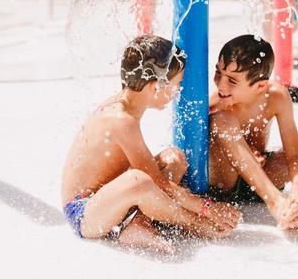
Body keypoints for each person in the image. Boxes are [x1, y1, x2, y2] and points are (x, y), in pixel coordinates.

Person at [61, 35, 240, 253]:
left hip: (107, 197)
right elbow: (158, 183)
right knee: (139, 181)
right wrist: (204, 212)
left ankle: (136, 224)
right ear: (155, 87)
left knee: (174, 159)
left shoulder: (128, 106)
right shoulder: (121, 120)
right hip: (83, 211)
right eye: (176, 85)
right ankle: (194, 226)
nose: (177, 92)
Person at [208, 35, 298, 240]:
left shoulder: (275, 96)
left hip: (264, 178)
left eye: (232, 80)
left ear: (261, 86)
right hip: (226, 185)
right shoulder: (216, 104)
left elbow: (294, 154)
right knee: (223, 120)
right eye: (218, 73)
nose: (221, 85)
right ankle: (275, 202)